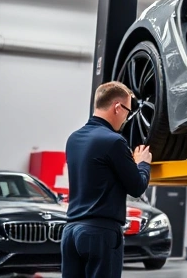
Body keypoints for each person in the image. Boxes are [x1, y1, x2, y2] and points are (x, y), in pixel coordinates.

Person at [62, 82, 152, 278]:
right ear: (118, 107)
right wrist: (142, 164)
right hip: (100, 233)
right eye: (128, 111)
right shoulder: (114, 141)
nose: (126, 118)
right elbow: (136, 187)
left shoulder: (73, 139)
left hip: (70, 232)